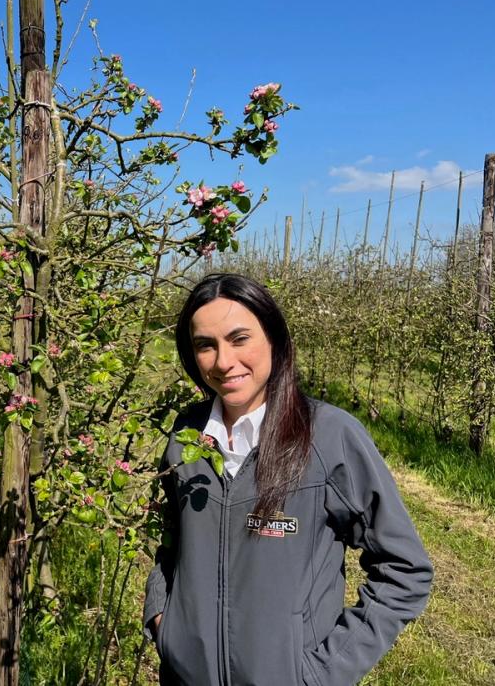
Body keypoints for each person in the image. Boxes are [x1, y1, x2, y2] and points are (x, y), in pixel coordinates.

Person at [144, 273, 432, 686]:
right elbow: (172, 539)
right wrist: (163, 619)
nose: (223, 361)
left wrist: (322, 673)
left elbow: (406, 569)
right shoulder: (186, 437)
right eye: (206, 345)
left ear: (275, 339)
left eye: (239, 338)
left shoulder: (329, 438)